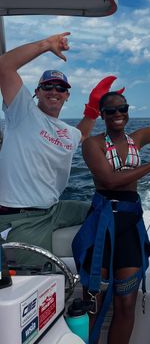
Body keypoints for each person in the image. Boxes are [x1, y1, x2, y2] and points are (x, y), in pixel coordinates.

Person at [72, 90, 150, 344]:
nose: (118, 114)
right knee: (93, 301)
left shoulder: (136, 139)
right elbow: (109, 181)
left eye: (123, 109)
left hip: (129, 224)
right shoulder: (92, 144)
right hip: (103, 224)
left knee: (127, 302)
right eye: (111, 111)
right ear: (102, 115)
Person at [0, 32, 117, 252]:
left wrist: (93, 107)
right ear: (37, 92)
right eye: (48, 87)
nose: (54, 91)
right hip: (20, 216)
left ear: (67, 95)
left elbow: (80, 135)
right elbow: (4, 66)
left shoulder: (66, 131)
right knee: (40, 280)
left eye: (61, 88)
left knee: (110, 211)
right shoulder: (22, 112)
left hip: (54, 210)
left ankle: (96, 278)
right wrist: (45, 44)